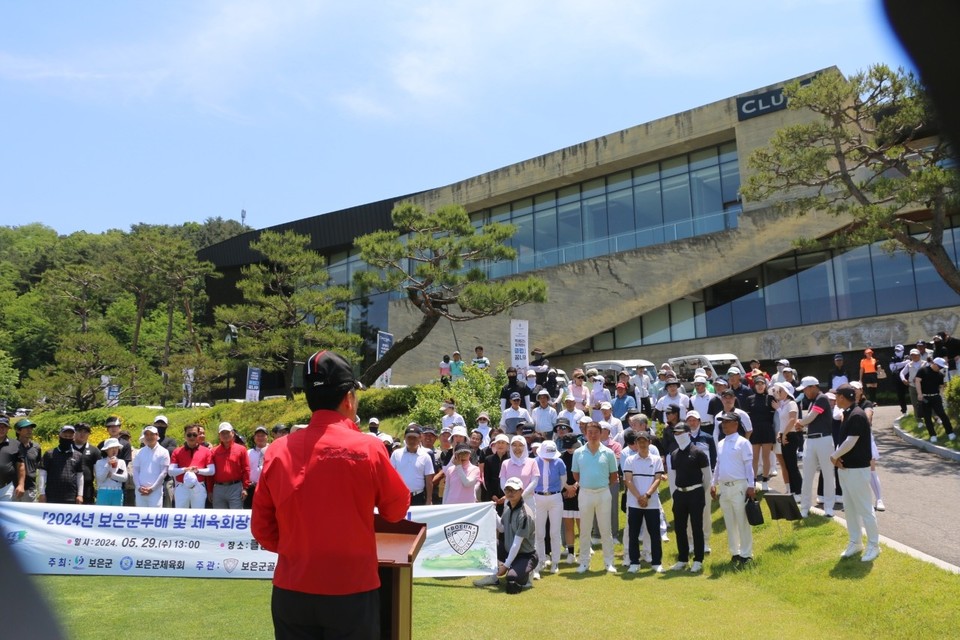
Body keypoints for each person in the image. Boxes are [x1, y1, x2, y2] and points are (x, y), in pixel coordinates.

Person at [252, 350, 410, 639]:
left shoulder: (276, 451)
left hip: (291, 589)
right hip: (351, 589)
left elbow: (262, 528)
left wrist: (300, 550)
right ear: (349, 399)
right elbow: (396, 510)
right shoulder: (368, 448)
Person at [830, 384, 881, 562]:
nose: (835, 399)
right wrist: (837, 458)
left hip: (857, 470)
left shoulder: (857, 415)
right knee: (850, 508)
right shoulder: (848, 413)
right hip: (846, 468)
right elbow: (843, 440)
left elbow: (851, 441)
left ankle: (874, 545)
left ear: (842, 397)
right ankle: (855, 541)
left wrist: (834, 456)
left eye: (836, 396)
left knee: (865, 508)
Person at [475, 477, 538, 593]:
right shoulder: (508, 508)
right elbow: (503, 528)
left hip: (526, 555)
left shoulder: (525, 514)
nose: (510, 493)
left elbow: (516, 544)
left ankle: (527, 573)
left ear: (521, 491)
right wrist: (491, 512)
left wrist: (505, 566)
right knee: (489, 544)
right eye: (507, 490)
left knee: (511, 580)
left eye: (514, 490)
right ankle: (492, 577)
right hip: (510, 550)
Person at [572, 420, 619, 573]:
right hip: (585, 493)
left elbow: (613, 476)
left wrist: (600, 484)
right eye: (589, 432)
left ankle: (608, 562)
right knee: (585, 530)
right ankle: (584, 562)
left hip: (603, 493)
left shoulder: (609, 453)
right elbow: (576, 474)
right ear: (585, 434)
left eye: (595, 432)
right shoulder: (578, 453)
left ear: (601, 433)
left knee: (606, 530)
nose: (592, 435)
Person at [710, 412, 756, 566]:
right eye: (722, 422)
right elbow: (718, 464)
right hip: (724, 487)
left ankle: (746, 553)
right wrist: (713, 483)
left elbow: (748, 465)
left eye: (727, 422)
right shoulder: (721, 443)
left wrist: (751, 485)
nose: (724, 425)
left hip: (739, 486)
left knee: (742, 521)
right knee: (729, 522)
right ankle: (735, 552)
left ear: (736, 424)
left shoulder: (743, 442)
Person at [666, 422, 711, 573]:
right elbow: (673, 477)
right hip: (680, 493)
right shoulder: (674, 454)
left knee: (697, 527)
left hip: (696, 492)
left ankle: (698, 560)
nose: (678, 436)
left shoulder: (699, 452)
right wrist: (675, 494)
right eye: (676, 434)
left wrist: (700, 491)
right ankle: (683, 559)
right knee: (679, 528)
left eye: (681, 433)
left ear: (688, 433)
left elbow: (707, 476)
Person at [623, 430, 665, 573]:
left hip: (651, 502)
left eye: (644, 440)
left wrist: (646, 496)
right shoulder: (630, 460)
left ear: (649, 442)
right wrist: (639, 497)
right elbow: (628, 480)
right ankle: (634, 562)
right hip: (634, 502)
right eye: (639, 441)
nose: (641, 443)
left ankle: (656, 562)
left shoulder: (656, 459)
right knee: (633, 533)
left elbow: (658, 479)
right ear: (635, 443)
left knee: (654, 533)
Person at [794, 376, 836, 517]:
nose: (804, 392)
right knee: (807, 476)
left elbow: (811, 417)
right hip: (811, 440)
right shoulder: (813, 401)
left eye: (805, 389)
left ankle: (829, 508)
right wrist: (803, 426)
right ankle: (805, 508)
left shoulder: (822, 398)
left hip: (824, 440)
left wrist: (800, 422)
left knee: (828, 474)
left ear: (812, 387)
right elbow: (812, 421)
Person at [532, 439, 565, 578]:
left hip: (555, 498)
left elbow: (563, 481)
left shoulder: (559, 462)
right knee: (539, 532)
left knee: (554, 531)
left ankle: (555, 562)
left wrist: (553, 492)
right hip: (538, 498)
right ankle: (540, 560)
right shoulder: (534, 461)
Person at [168, 424, 215, 509]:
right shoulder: (177, 451)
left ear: (198, 436)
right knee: (181, 515)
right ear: (184, 436)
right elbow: (171, 471)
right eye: (189, 435)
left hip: (199, 486)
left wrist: (197, 471)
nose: (192, 437)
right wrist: (185, 469)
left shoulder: (206, 451)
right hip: (181, 486)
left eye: (194, 434)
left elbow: (212, 470)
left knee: (198, 515)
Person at [915, 357, 957, 442]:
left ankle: (950, 432)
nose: (940, 368)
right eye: (940, 367)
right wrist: (919, 394)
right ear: (934, 364)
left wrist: (942, 397)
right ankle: (932, 435)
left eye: (942, 367)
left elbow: (941, 387)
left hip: (936, 397)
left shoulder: (940, 375)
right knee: (927, 417)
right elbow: (917, 381)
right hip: (925, 397)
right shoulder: (923, 370)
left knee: (942, 414)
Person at [39, 426, 84, 505]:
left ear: (73, 438)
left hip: (71, 496)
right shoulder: (49, 454)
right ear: (60, 436)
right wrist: (42, 493)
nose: (67, 438)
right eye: (65, 436)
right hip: (51, 495)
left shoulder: (78, 455)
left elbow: (80, 476)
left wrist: (80, 495)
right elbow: (42, 474)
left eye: (70, 436)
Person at [745, 376, 776, 490]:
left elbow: (775, 414)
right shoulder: (750, 399)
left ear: (765, 385)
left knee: (766, 456)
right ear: (754, 385)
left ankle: (765, 480)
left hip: (767, 429)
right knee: (754, 458)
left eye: (762, 384)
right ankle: (752, 480)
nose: (760, 386)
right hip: (754, 430)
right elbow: (747, 417)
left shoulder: (770, 398)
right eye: (757, 384)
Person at [772, 382, 801, 499]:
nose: (779, 393)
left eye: (781, 391)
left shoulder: (792, 403)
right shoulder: (784, 405)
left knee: (792, 465)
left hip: (791, 436)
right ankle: (793, 491)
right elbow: (784, 422)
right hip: (785, 435)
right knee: (788, 465)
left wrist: (785, 434)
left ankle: (799, 492)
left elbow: (792, 419)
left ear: (788, 392)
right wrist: (781, 433)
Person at [131, 425, 170, 508]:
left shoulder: (164, 452)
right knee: (141, 516)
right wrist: (138, 487)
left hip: (155, 491)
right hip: (140, 491)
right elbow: (135, 471)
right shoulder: (139, 452)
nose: (149, 437)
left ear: (157, 435)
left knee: (155, 516)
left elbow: (163, 472)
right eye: (146, 435)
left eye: (152, 434)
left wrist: (152, 488)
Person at [71, 423, 101, 505]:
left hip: (88, 488)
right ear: (74, 433)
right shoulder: (69, 448)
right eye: (80, 431)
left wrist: (99, 488)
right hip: (70, 488)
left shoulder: (94, 450)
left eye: (86, 432)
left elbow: (97, 472)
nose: (82, 434)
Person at [152, 415, 178, 508]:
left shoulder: (171, 441)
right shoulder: (147, 441)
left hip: (167, 478)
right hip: (151, 478)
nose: (160, 426)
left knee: (168, 503)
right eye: (158, 423)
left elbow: (168, 454)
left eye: (162, 424)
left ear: (166, 426)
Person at [14, 418, 41, 502]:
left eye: (31, 428)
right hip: (14, 487)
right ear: (18, 431)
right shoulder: (12, 446)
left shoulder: (36, 447)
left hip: (30, 488)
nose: (29, 430)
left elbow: (37, 465)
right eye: (26, 428)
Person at [94, 438, 127, 506]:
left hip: (118, 492)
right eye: (111, 448)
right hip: (104, 491)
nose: (114, 450)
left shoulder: (121, 462)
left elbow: (124, 478)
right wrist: (108, 465)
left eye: (116, 448)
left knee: (116, 514)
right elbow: (100, 478)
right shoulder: (100, 462)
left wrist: (112, 475)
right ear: (106, 450)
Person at [0, 417, 22, 501]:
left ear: (8, 429)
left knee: (5, 513)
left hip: (6, 488)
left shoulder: (15, 444)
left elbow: (20, 465)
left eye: (4, 427)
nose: (1, 429)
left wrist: (21, 485)